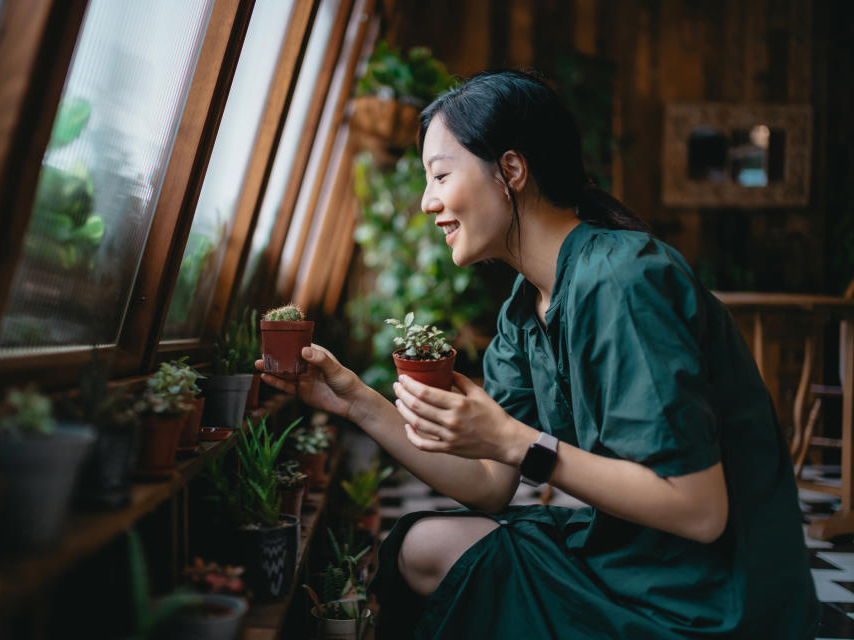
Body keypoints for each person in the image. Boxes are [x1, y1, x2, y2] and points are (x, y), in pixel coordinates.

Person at [256, 69, 819, 639]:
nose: (428, 203)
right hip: (626, 561)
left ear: (511, 171)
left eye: (440, 175)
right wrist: (356, 401)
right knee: (418, 546)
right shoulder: (525, 311)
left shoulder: (621, 279)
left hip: (710, 599)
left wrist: (515, 440)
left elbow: (699, 511)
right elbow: (489, 482)